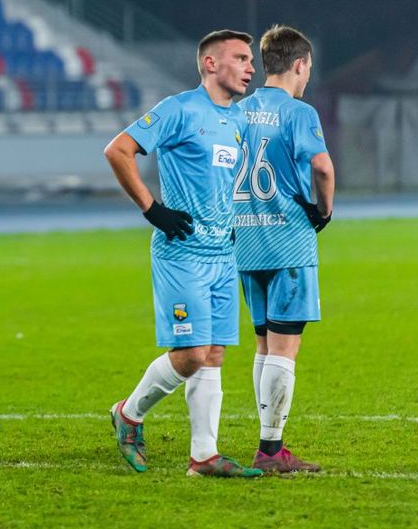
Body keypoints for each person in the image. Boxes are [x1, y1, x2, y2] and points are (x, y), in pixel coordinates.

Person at [104, 30, 262, 478]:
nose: (251, 67)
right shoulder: (179, 109)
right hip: (183, 253)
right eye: (241, 58)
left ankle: (204, 457)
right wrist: (152, 209)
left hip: (221, 254)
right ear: (211, 64)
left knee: (213, 354)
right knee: (191, 353)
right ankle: (128, 414)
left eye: (252, 59)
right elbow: (118, 150)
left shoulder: (240, 121)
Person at [233, 24, 334, 473]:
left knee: (263, 345)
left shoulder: (238, 110)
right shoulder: (299, 112)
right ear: (299, 65)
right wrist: (323, 211)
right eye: (308, 68)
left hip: (246, 240)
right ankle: (271, 451)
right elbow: (322, 167)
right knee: (284, 349)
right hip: (288, 242)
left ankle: (268, 442)